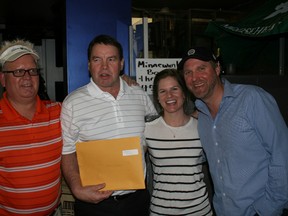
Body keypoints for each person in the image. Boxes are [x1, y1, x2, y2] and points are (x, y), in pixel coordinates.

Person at [177, 46, 288, 216]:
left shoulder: (252, 99)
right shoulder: (200, 117)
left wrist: (268, 209)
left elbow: (283, 155)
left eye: (201, 68)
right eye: (188, 73)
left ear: (217, 68)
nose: (195, 78)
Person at [60, 34, 157, 216]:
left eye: (111, 59)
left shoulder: (138, 94)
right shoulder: (73, 103)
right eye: (97, 59)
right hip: (94, 204)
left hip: (137, 200)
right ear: (89, 65)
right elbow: (67, 151)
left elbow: (156, 127)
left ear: (121, 64)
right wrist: (76, 188)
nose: (104, 67)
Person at [0, 39, 62, 215]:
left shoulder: (59, 112)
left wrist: (120, 82)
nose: (27, 77)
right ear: (3, 79)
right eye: (18, 71)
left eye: (32, 71)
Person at [144, 68, 213, 215]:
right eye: (163, 91)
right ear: (157, 97)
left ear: (184, 92)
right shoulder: (146, 130)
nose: (169, 95)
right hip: (161, 211)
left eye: (175, 89)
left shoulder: (201, 127)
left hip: (199, 211)